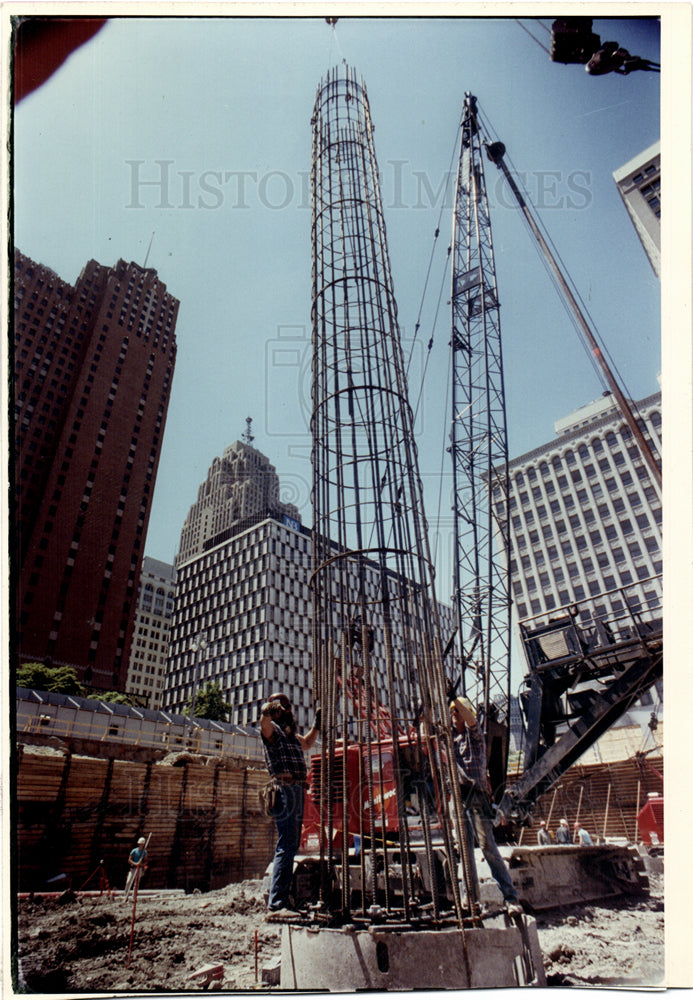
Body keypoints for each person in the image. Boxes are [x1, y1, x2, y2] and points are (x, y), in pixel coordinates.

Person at [449, 696, 521, 914]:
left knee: (488, 847)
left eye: (457, 712)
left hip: (477, 797)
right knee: (465, 851)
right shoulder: (450, 740)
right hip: (458, 798)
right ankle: (470, 900)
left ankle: (510, 897)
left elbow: (471, 720)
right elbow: (429, 732)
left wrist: (455, 700)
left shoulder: (475, 736)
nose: (454, 716)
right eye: (452, 712)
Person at [260, 692, 320, 917]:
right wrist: (267, 711)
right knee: (286, 845)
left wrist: (317, 724)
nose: (286, 711)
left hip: (296, 790)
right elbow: (264, 724)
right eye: (281, 707)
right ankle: (277, 904)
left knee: (291, 844)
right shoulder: (272, 731)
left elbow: (308, 743)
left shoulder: (291, 735)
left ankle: (281, 901)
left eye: (287, 707)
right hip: (284, 789)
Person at [124, 836, 148, 901]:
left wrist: (142, 865)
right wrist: (136, 864)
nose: (141, 845)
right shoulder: (134, 851)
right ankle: (125, 896)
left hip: (139, 868)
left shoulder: (144, 852)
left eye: (142, 844)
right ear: (138, 844)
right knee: (128, 881)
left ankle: (134, 897)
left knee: (136, 883)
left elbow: (146, 861)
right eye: (140, 844)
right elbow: (129, 860)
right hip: (133, 868)